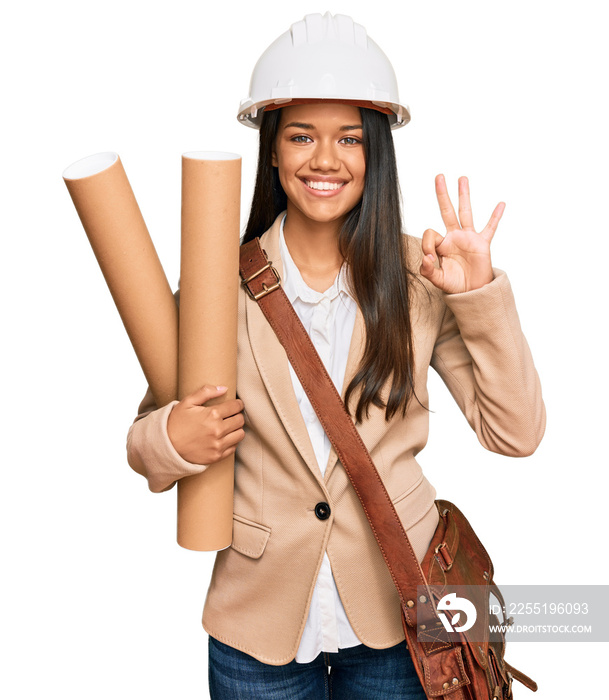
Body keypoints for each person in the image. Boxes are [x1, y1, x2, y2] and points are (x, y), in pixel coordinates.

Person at [127, 13, 545, 700]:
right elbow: (143, 440)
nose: (325, 159)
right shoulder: (213, 287)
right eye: (301, 136)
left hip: (398, 611)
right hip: (258, 621)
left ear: (375, 152)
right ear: (270, 150)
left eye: (349, 138)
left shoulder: (421, 276)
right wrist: (171, 437)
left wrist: (479, 299)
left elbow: (516, 433)